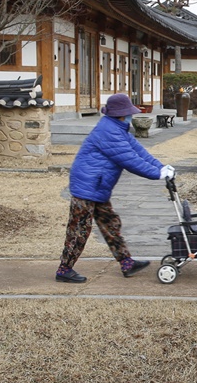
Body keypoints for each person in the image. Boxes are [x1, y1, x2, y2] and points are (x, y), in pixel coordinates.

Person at [56, 93, 175, 283]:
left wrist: (161, 166)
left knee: (110, 223)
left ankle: (127, 263)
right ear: (121, 113)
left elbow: (138, 151)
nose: (131, 116)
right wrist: (157, 174)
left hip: (98, 186)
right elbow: (130, 160)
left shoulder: (118, 128)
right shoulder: (108, 131)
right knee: (79, 230)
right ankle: (64, 269)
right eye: (128, 112)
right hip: (87, 186)